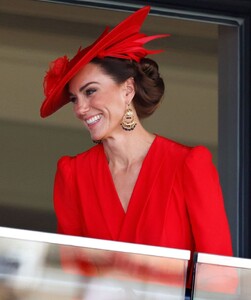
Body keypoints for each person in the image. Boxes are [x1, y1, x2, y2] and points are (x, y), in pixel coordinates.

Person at [40, 6, 233, 289]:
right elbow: (71, 279)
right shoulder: (73, 174)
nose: (80, 108)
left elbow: (222, 279)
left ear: (128, 89)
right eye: (74, 99)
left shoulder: (189, 165)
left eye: (90, 91)